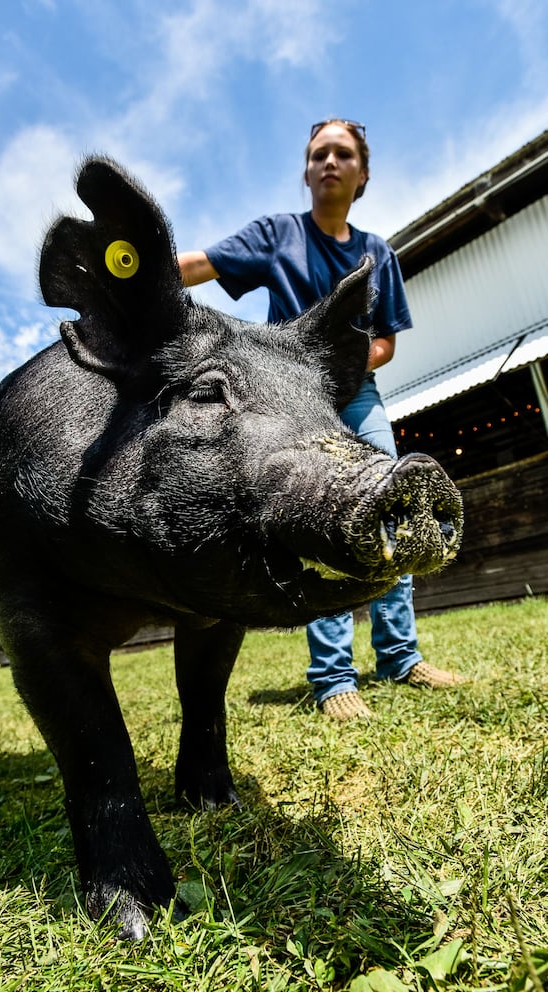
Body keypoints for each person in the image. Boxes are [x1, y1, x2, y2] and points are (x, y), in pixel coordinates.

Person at [178, 118, 467, 721]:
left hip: (359, 398)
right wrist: (123, 281)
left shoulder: (376, 253)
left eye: (342, 154)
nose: (328, 163)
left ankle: (400, 657)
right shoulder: (276, 236)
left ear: (362, 174)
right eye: (318, 155)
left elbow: (385, 341)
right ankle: (333, 677)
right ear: (307, 172)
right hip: (294, 407)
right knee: (323, 526)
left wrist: (345, 363)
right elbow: (198, 266)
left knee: (399, 516)